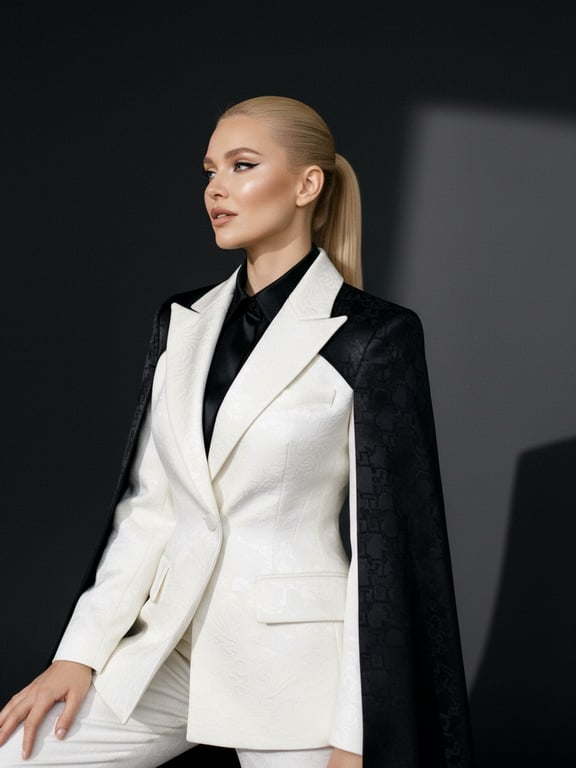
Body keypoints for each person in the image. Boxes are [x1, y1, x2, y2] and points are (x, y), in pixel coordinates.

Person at [0, 95, 475, 767]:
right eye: (209, 170)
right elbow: (148, 510)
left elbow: (386, 548)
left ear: (308, 184)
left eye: (242, 165)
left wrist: (356, 731)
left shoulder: (374, 337)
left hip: (294, 670)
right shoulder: (182, 320)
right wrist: (77, 656)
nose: (216, 188)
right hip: (169, 647)